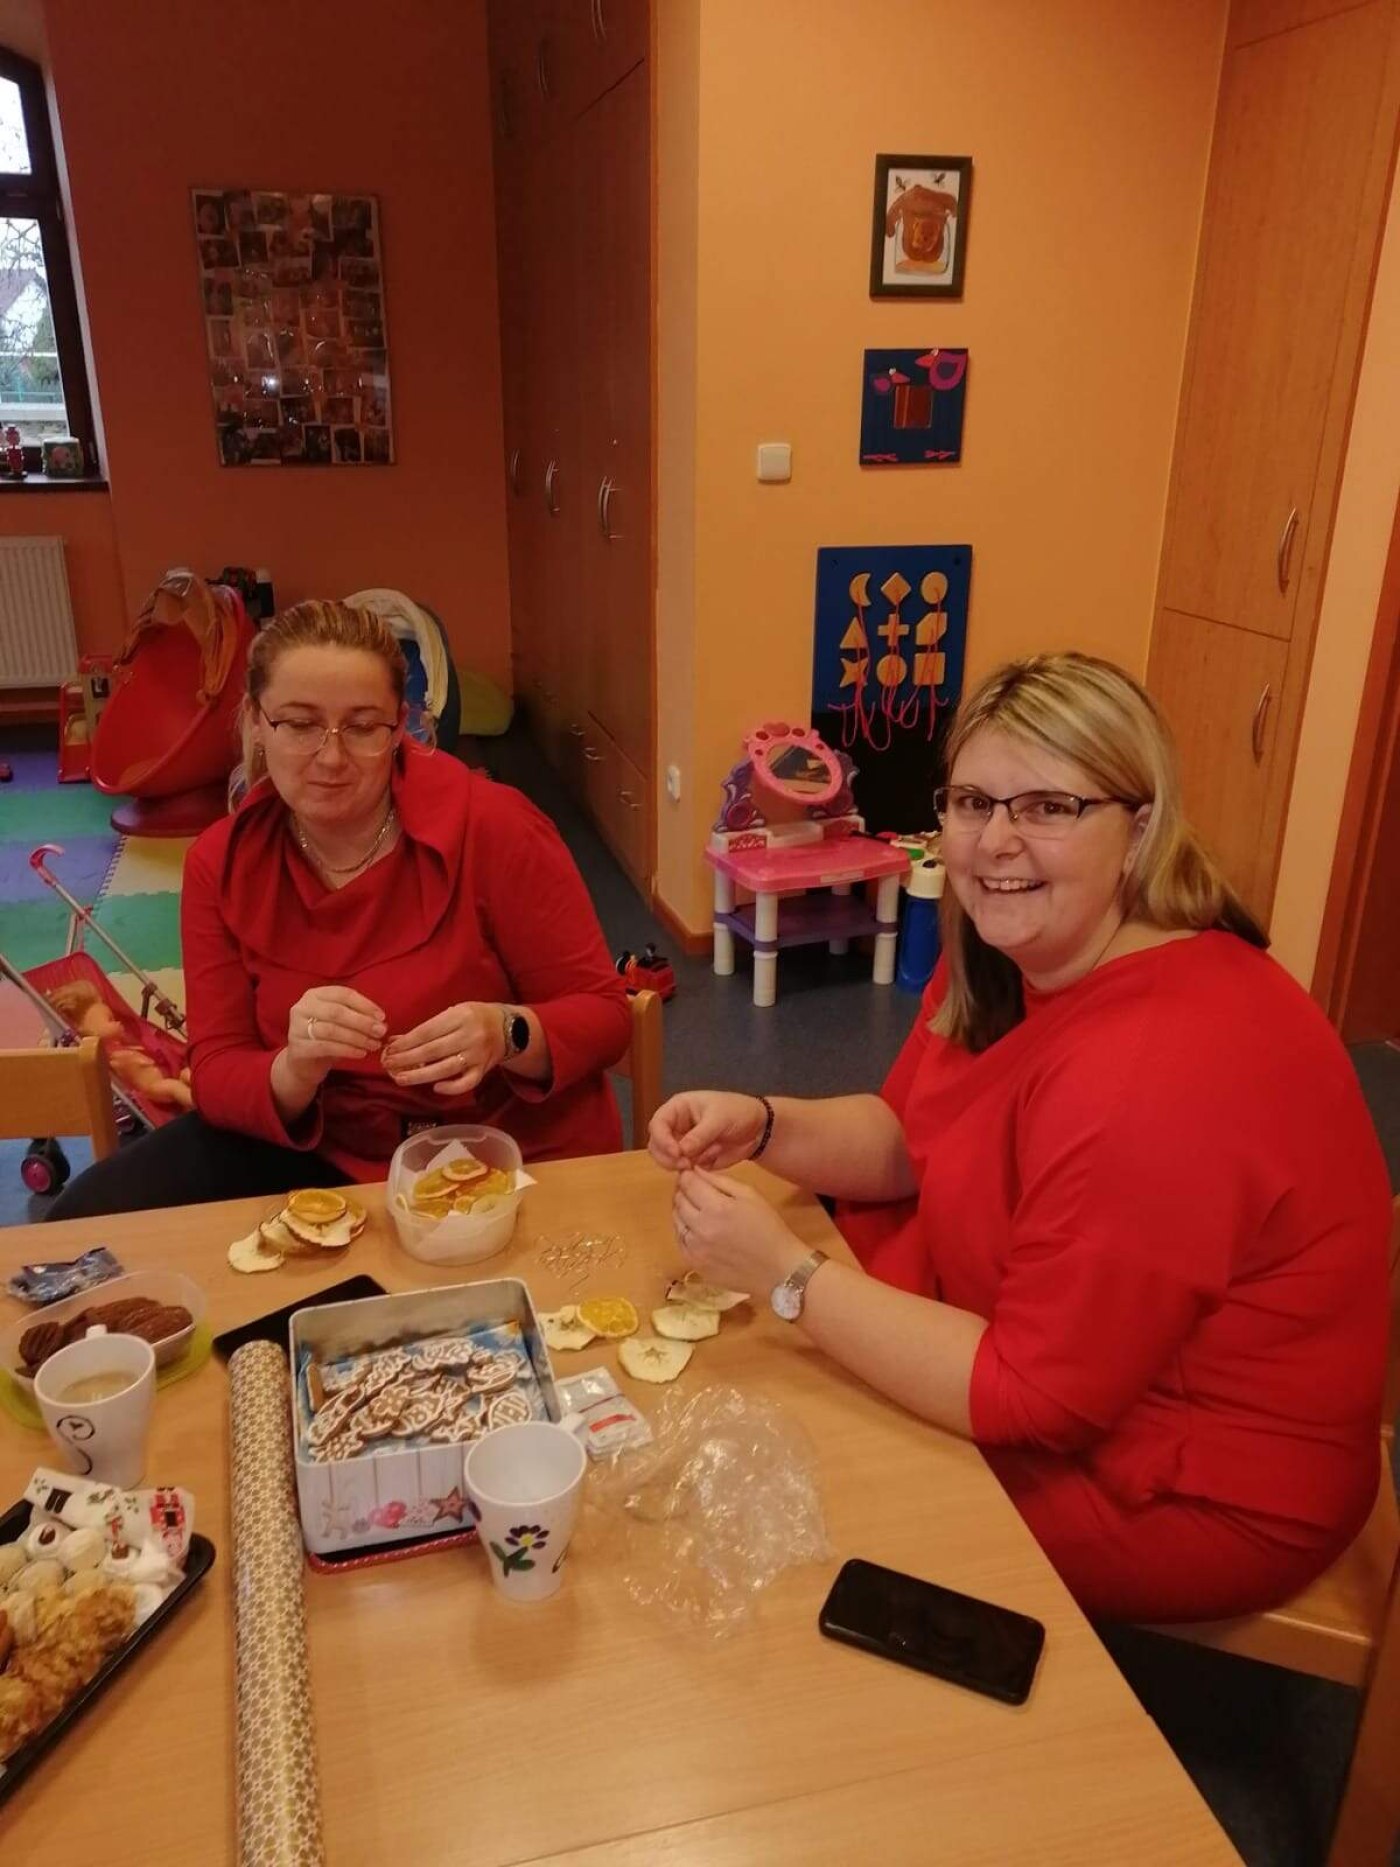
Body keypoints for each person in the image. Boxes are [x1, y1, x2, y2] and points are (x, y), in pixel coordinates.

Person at [650, 653, 1391, 1624]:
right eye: (972, 802)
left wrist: (787, 1275)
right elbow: (907, 1135)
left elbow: (1032, 1399)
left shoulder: (1155, 1066)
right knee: (770, 1405)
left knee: (802, 1483)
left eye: (1048, 806)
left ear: (1138, 829)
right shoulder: (1017, 946)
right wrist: (767, 1121)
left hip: (1196, 1489)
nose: (996, 841)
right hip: (1077, 1373)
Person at [49, 600, 630, 1218]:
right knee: (84, 1221)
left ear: (399, 728)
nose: (330, 757)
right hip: (328, 1152)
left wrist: (506, 1031)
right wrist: (295, 1068)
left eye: (362, 727)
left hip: (511, 1151)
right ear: (257, 723)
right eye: (300, 724)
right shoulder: (221, 862)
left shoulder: (494, 826)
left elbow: (605, 1016)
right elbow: (217, 1072)